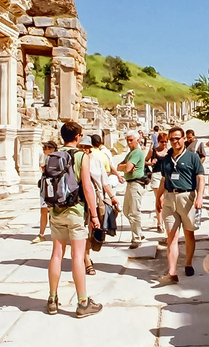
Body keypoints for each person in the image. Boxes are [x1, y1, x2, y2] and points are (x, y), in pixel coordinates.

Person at [46, 121, 103, 318]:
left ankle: (52, 299)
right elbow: (87, 188)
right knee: (78, 256)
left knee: (56, 253)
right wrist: (94, 215)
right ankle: (83, 302)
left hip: (56, 210)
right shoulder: (81, 156)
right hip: (76, 210)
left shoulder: (51, 156)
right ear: (78, 136)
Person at [154, 126, 205, 284]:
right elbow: (164, 179)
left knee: (189, 233)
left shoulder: (192, 157)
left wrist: (200, 197)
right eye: (172, 139)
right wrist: (158, 197)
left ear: (183, 139)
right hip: (170, 197)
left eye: (177, 138)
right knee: (172, 235)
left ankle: (188, 262)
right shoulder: (167, 159)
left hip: (186, 196)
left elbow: (201, 177)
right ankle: (172, 271)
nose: (175, 141)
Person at [81, 135, 119, 276]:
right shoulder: (76, 159)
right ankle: (87, 260)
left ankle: (87, 255)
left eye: (87, 147)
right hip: (80, 201)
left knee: (95, 230)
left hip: (96, 200)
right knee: (85, 231)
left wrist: (112, 197)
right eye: (82, 147)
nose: (85, 150)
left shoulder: (97, 159)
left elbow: (104, 181)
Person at [117, 130, 147, 249]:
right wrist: (125, 167)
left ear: (137, 140)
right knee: (126, 210)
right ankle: (139, 232)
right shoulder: (130, 153)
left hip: (136, 184)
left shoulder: (136, 153)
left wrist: (126, 167)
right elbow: (119, 166)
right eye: (127, 140)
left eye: (131, 140)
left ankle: (136, 238)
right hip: (130, 184)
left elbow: (127, 167)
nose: (129, 143)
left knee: (134, 212)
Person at [33, 141, 58, 243]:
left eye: (45, 148)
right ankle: (42, 233)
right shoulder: (45, 158)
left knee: (51, 211)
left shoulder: (55, 159)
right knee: (44, 210)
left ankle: (51, 233)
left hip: (52, 187)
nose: (43, 150)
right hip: (45, 186)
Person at [145, 132, 169, 233]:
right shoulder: (153, 151)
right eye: (162, 142)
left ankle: (166, 221)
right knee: (159, 199)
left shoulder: (169, 151)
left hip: (166, 176)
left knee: (166, 201)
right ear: (158, 141)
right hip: (156, 175)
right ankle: (159, 223)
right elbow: (144, 161)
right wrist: (151, 162)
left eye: (165, 142)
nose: (164, 143)